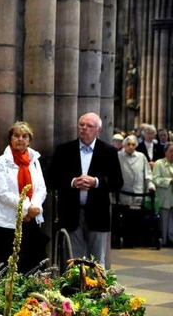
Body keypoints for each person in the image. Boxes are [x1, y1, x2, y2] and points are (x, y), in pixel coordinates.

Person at [49, 112, 123, 268]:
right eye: (81, 125)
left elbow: (117, 182)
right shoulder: (64, 150)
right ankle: (73, 290)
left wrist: (95, 182)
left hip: (98, 213)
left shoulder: (108, 151)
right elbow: (51, 179)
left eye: (89, 126)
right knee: (73, 261)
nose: (84, 129)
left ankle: (97, 291)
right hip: (71, 212)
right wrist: (72, 182)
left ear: (98, 130)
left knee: (96, 261)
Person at [0, 121, 49, 274]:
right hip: (9, 222)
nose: (20, 139)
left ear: (29, 140)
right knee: (13, 265)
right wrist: (26, 208)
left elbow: (41, 188)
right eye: (16, 135)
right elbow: (3, 193)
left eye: (25, 136)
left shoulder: (34, 161)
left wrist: (35, 207)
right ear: (10, 138)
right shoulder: (1, 162)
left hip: (31, 220)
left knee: (35, 263)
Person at [117, 135, 155, 206]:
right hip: (123, 192)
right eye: (128, 144)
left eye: (133, 144)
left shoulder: (141, 156)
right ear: (124, 145)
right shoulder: (118, 156)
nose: (131, 146)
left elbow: (148, 173)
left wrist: (150, 185)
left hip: (139, 193)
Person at [152, 142, 173, 246]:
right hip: (164, 197)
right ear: (165, 151)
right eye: (171, 151)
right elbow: (155, 179)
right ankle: (163, 241)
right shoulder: (159, 163)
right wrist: (169, 181)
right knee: (164, 222)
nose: (172, 153)